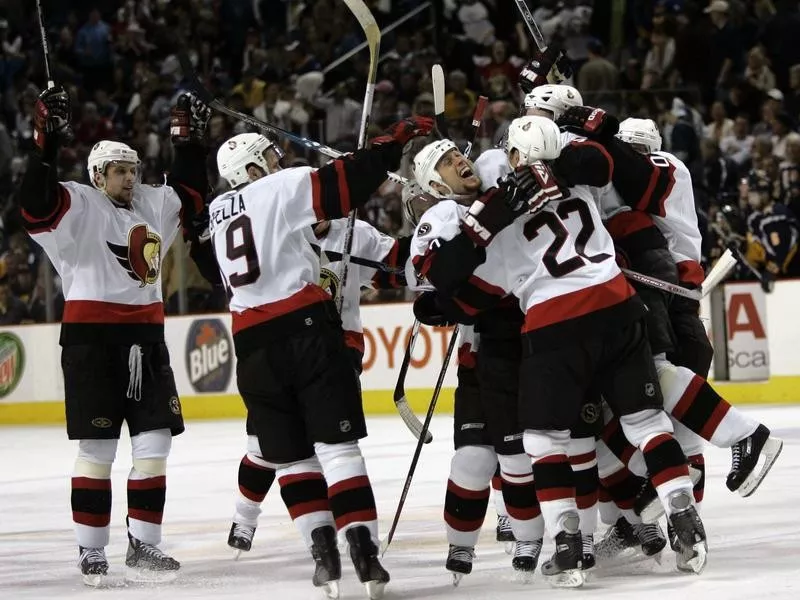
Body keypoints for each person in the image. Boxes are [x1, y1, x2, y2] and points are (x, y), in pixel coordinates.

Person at [408, 121, 706, 586]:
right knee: (646, 422)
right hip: (620, 307)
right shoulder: (575, 180)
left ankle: (568, 546)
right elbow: (599, 160)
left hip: (555, 326)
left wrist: (440, 300)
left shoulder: (495, 228)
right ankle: (683, 516)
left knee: (545, 442)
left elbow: (466, 291)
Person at [207, 116, 433, 599]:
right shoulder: (279, 189)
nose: (278, 161)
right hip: (306, 331)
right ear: (249, 168)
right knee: (336, 449)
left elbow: (387, 259)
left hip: (251, 343)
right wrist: (387, 145)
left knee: (291, 459)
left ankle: (323, 554)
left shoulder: (219, 210)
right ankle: (364, 552)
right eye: (267, 158)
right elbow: (341, 185)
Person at [18, 86, 217, 586]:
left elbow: (190, 194)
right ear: (97, 175)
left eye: (133, 169)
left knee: (154, 444)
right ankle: (90, 550)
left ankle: (144, 543)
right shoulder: (78, 204)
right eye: (119, 171)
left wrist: (187, 139)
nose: (129, 177)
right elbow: (34, 204)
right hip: (91, 344)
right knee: (99, 449)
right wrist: (45, 142)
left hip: (147, 343)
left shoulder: (149, 203)